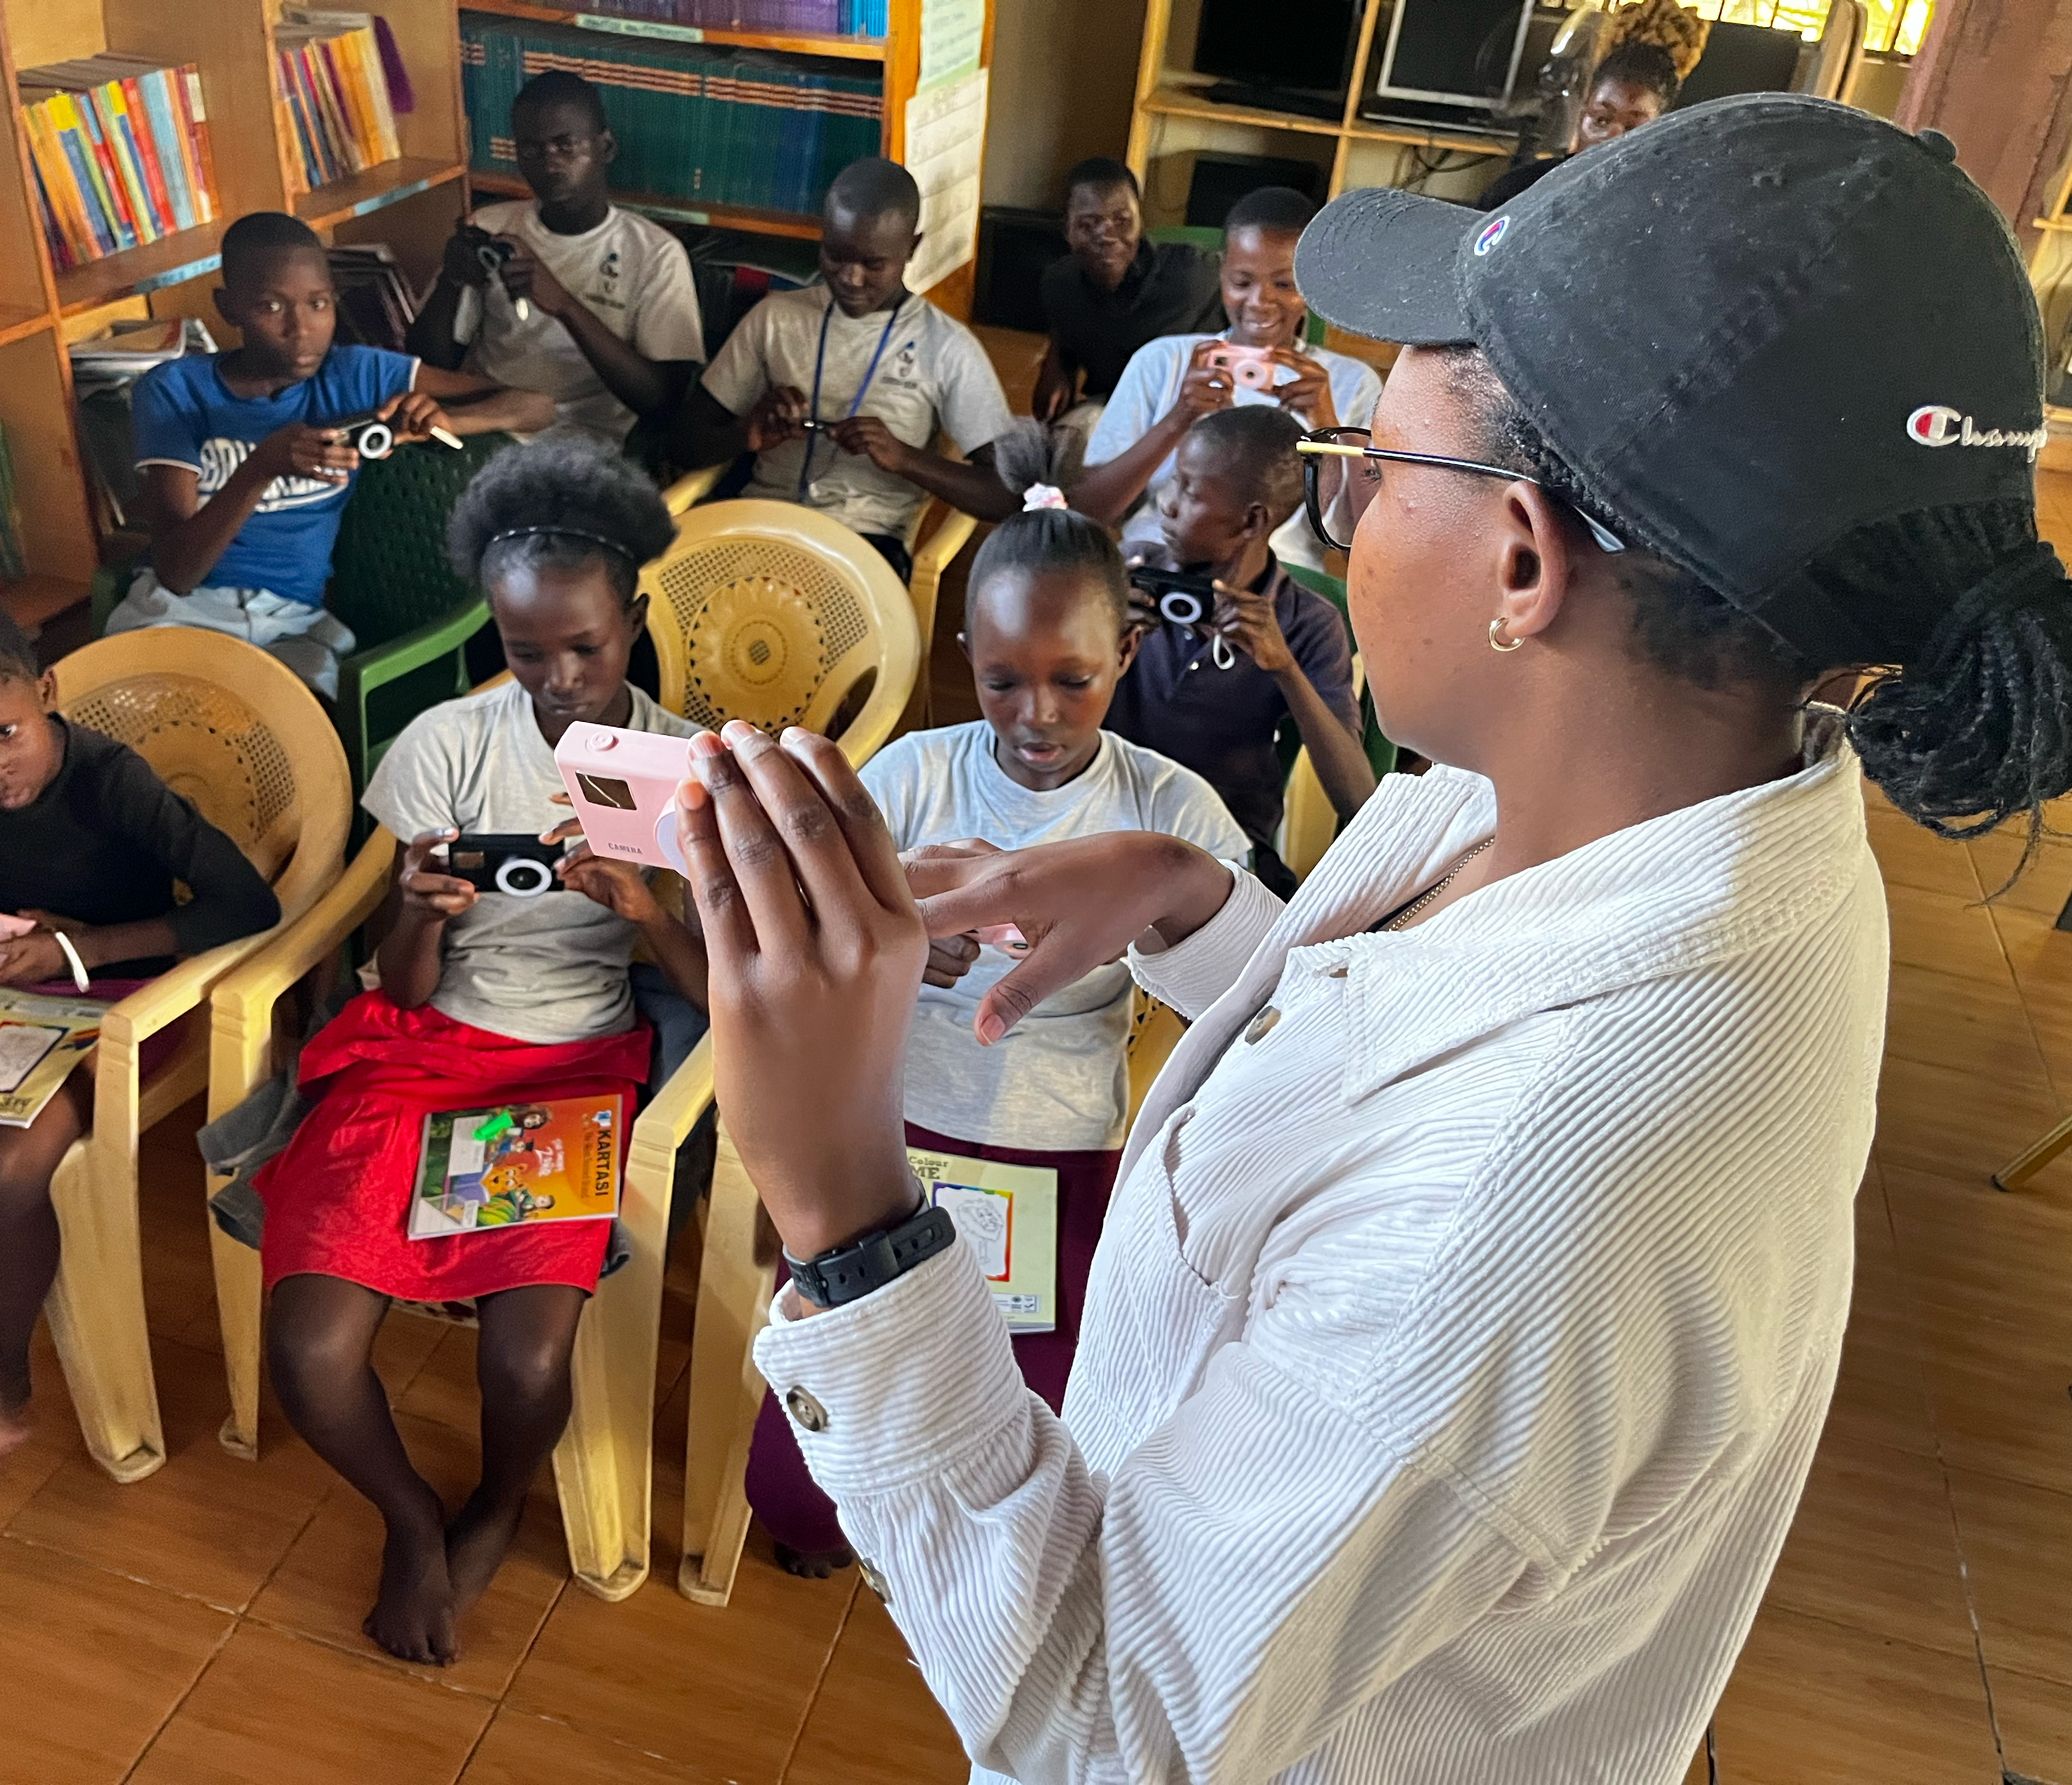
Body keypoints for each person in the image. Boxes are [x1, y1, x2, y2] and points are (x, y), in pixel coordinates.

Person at [661, 97, 2072, 1782]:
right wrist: (1193, 908)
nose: (1331, 526)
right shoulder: (1614, 796)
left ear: (1525, 559)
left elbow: (1111, 1725)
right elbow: (1381, 1049)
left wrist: (842, 1206)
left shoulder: (1532, 1203)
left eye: (1367, 472)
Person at [744, 429, 1247, 1578]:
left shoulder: (1168, 814)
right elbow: (813, 939)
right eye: (1002, 679)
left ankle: (961, 1569)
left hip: (1059, 1147)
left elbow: (1252, 973)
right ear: (965, 652)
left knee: (1043, 1437)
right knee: (798, 1483)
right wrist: (885, 957)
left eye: (1073, 680)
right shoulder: (912, 778)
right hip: (891, 1138)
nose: (1036, 714)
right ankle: (846, 1530)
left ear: (1125, 653)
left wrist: (1135, 932)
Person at [251, 437, 706, 1668]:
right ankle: (409, 1516)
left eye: (586, 650)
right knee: (308, 1343)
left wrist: (648, 911)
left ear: (634, 621)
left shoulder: (664, 765)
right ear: (492, 635)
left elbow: (720, 989)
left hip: (575, 1061)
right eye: (525, 653)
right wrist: (413, 910)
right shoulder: (449, 743)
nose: (559, 681)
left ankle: (499, 1501)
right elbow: (397, 986)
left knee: (528, 1357)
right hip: (424, 1042)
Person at [0, 577, 280, 1502]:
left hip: (127, 991)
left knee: (0, 1172)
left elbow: (245, 902)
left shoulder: (112, 781)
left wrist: (83, 945)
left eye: (3, 733)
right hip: (14, 987)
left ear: (46, 692)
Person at [115, 212, 554, 701]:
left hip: (292, 626)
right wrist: (260, 468)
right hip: (181, 615)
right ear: (228, 308)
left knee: (299, 740)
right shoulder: (176, 392)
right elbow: (177, 572)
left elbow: (536, 406)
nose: (300, 329)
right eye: (271, 306)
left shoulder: (354, 374)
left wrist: (451, 422)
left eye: (318, 304)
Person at [676, 157, 1019, 577]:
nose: (851, 278)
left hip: (864, 544)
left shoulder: (945, 347)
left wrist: (905, 458)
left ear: (911, 248)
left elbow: (1009, 494)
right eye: (835, 256)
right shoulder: (776, 318)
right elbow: (681, 442)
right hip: (763, 524)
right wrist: (745, 434)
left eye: (874, 265)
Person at [1106, 405, 1373, 894]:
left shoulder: (1307, 623)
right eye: (1172, 483)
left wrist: (1284, 668)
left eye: (1189, 490)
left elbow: (1356, 799)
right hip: (1102, 818)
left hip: (1217, 851)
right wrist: (1099, 636)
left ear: (1252, 521)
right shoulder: (1128, 575)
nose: (1166, 504)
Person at [1074, 185, 1381, 570]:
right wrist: (1177, 419)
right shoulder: (1164, 360)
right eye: (1242, 282)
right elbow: (1088, 510)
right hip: (1156, 562)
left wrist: (1328, 427)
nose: (1259, 302)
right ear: (1221, 275)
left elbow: (1368, 541)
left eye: (1284, 284)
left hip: (1278, 580)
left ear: (1311, 286)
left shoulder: (1350, 383)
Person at [408, 70, 705, 444]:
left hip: (585, 440)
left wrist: (564, 304)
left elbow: (663, 402)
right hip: (483, 424)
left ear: (606, 148)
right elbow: (428, 363)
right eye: (531, 150)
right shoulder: (491, 226)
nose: (549, 164)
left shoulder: (655, 254)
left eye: (566, 146)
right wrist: (452, 283)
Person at [1032, 158, 1224, 443]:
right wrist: (1057, 360)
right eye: (1088, 224)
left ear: (1140, 221)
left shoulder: (1195, 273)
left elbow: (1255, 299)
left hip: (1198, 412)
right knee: (1067, 450)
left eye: (1122, 221)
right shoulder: (1060, 285)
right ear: (1067, 231)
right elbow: (1066, 336)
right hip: (1111, 408)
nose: (1107, 236)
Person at [1478, 39, 1683, 209]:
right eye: (1601, 120)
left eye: (1632, 128)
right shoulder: (1518, 193)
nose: (1612, 138)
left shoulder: (1666, 212)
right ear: (1583, 114)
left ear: (1660, 133)